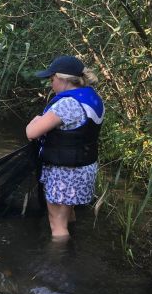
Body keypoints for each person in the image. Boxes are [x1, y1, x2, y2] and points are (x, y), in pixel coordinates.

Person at [25, 55, 104, 239]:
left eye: (52, 80)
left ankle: (60, 263)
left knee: (57, 224)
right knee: (68, 212)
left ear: (62, 79)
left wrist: (35, 120)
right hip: (85, 169)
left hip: (64, 172)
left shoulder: (67, 104)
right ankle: (73, 238)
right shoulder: (93, 99)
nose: (51, 84)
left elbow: (31, 133)